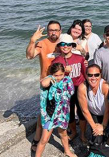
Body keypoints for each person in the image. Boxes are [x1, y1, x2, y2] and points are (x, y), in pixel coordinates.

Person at [26, 20, 62, 152]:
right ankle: (37, 137)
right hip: (46, 85)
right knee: (44, 113)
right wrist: (32, 41)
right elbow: (29, 56)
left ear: (60, 31)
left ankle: (64, 131)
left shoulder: (64, 43)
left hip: (61, 84)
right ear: (48, 31)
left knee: (62, 109)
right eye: (51, 30)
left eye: (56, 30)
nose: (53, 32)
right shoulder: (42, 43)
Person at [52, 34, 87, 144]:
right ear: (59, 46)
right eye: (63, 44)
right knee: (70, 113)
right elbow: (55, 80)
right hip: (65, 91)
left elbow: (85, 74)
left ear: (72, 45)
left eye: (68, 44)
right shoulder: (56, 61)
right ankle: (73, 131)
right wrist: (65, 73)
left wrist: (88, 89)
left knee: (82, 113)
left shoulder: (80, 58)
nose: (65, 46)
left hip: (79, 88)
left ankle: (82, 134)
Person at [78, 63, 109, 156]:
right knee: (97, 137)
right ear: (86, 75)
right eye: (90, 75)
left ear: (101, 75)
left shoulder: (105, 86)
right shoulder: (82, 88)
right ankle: (102, 147)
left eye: (96, 75)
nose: (93, 78)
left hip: (108, 114)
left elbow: (108, 109)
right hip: (95, 115)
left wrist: (103, 126)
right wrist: (94, 127)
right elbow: (85, 110)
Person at [35, 63, 76, 157]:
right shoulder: (49, 81)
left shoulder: (67, 80)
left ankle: (67, 151)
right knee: (44, 139)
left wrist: (64, 74)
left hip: (62, 113)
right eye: (56, 75)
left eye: (61, 75)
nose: (58, 77)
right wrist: (50, 76)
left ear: (64, 73)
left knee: (63, 134)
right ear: (51, 74)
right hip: (49, 115)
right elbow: (44, 83)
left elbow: (71, 92)